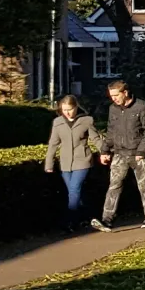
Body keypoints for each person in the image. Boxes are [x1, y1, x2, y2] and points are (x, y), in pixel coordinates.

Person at [96, 79, 145, 232]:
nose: (114, 99)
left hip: (137, 154)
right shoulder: (113, 109)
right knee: (114, 186)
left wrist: (142, 151)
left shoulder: (141, 106)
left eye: (116, 95)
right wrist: (105, 151)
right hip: (119, 153)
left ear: (125, 92)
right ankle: (107, 220)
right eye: (111, 96)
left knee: (144, 186)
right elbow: (111, 131)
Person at [42, 95, 102, 230]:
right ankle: (88, 216)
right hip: (65, 162)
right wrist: (49, 164)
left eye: (70, 109)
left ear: (76, 107)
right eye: (64, 110)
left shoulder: (87, 120)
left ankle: (70, 221)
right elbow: (53, 144)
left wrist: (104, 152)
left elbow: (96, 138)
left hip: (83, 161)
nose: (67, 113)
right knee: (73, 192)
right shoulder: (57, 122)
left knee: (74, 189)